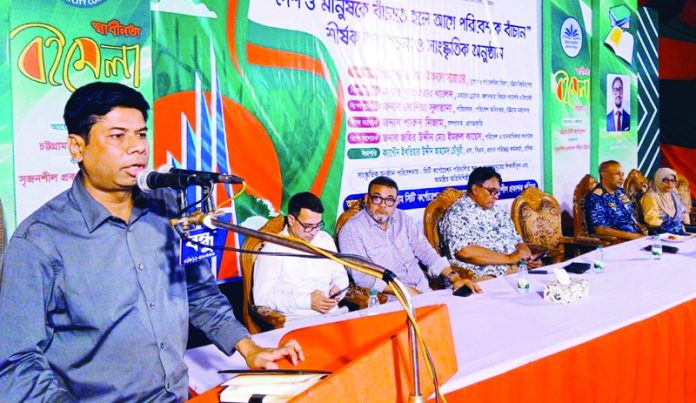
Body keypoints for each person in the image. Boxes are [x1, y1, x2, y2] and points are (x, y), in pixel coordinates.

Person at [0, 82, 302, 402]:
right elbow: (17, 363)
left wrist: (249, 348)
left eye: (141, 134)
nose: (138, 148)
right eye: (118, 136)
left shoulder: (171, 209)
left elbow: (198, 291)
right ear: (77, 147)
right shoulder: (39, 241)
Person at [338, 176, 481, 297]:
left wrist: (455, 278)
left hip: (424, 291)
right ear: (367, 199)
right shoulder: (351, 230)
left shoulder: (402, 218)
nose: (383, 205)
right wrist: (403, 290)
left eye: (389, 200)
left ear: (396, 202)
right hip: (389, 299)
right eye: (377, 198)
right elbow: (361, 277)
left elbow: (425, 251)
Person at [253, 192, 350, 321]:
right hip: (296, 320)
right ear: (291, 220)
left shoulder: (324, 239)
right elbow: (262, 297)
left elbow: (340, 274)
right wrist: (307, 301)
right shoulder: (273, 249)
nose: (314, 232)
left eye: (318, 225)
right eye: (308, 226)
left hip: (333, 315)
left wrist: (338, 289)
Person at [439, 167, 542, 280]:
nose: (496, 196)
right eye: (491, 191)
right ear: (475, 189)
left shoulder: (498, 211)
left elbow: (517, 241)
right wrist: (509, 258)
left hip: (513, 267)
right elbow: (465, 252)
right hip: (481, 274)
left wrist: (526, 257)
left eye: (497, 192)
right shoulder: (457, 214)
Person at [585, 160, 646, 240]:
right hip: (618, 242)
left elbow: (629, 216)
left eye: (622, 175)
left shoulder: (621, 192)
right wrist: (633, 236)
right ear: (604, 175)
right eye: (617, 174)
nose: (622, 178)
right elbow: (600, 230)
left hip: (636, 237)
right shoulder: (596, 198)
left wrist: (640, 227)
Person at [640, 167, 690, 235]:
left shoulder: (673, 194)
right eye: (666, 180)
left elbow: (682, 212)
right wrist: (672, 228)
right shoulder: (650, 197)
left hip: (678, 231)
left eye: (672, 180)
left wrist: (686, 227)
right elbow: (652, 220)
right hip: (660, 233)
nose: (669, 183)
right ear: (658, 179)